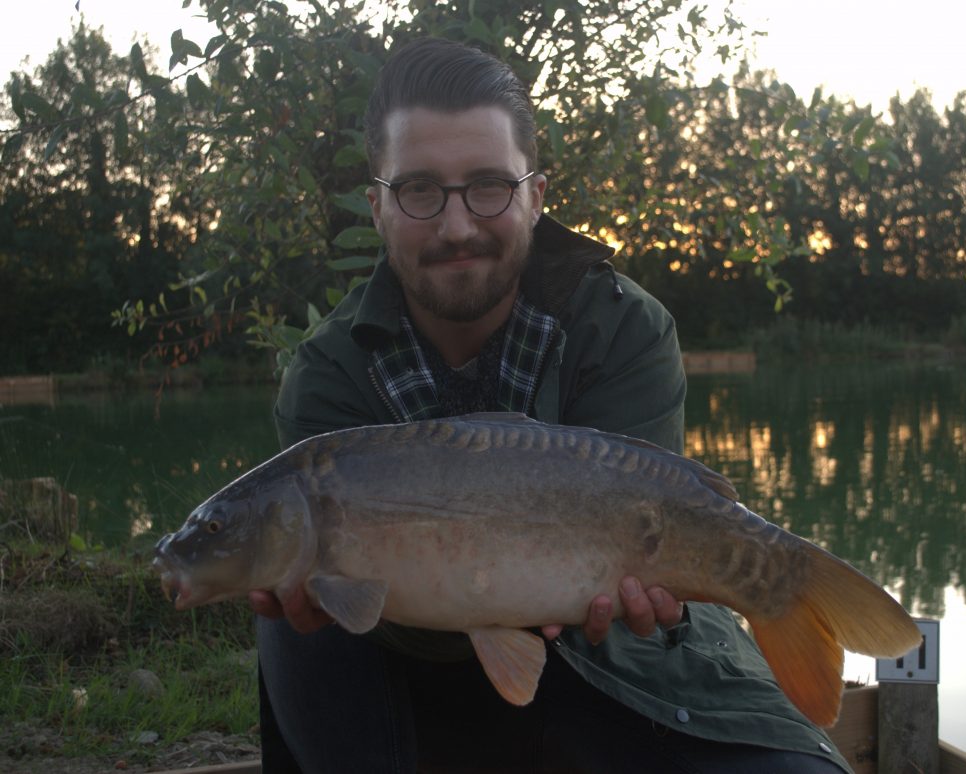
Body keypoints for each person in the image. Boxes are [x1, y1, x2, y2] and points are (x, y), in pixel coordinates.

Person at [250, 37, 851, 774]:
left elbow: (652, 517)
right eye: (419, 191)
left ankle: (777, 599)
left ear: (535, 194)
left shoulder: (623, 326)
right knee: (292, 610)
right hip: (401, 670)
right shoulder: (324, 375)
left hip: (618, 663)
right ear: (376, 206)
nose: (457, 224)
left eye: (489, 186)